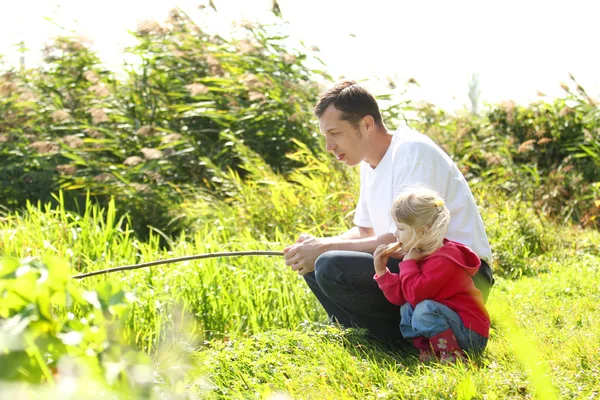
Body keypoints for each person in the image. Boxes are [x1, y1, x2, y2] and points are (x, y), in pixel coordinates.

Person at [283, 80, 494, 342]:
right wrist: (315, 246)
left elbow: (406, 241)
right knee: (312, 263)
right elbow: (365, 232)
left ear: (367, 124)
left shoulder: (411, 152)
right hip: (415, 269)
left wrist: (324, 249)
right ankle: (367, 337)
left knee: (329, 263)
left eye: (335, 133)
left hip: (459, 275)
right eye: (325, 135)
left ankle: (410, 336)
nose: (329, 146)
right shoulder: (367, 164)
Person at [373, 188, 489, 362]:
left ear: (424, 231)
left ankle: (452, 355)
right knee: (407, 308)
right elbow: (402, 296)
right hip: (452, 327)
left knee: (424, 308)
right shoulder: (422, 253)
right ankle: (427, 350)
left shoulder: (444, 260)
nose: (395, 234)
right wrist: (382, 272)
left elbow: (415, 294)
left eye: (400, 228)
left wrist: (408, 263)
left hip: (470, 334)